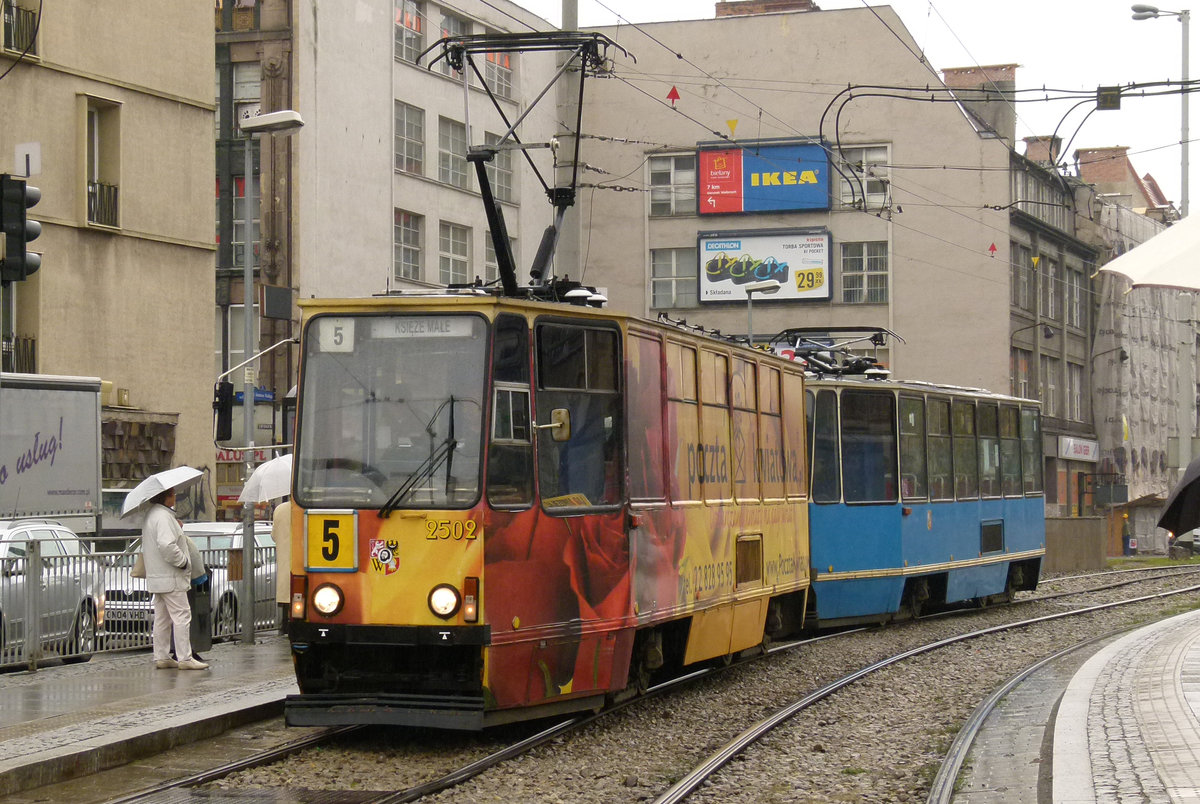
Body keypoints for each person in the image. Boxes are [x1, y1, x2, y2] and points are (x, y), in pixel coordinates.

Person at [143, 487, 209, 670]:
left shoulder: (153, 515)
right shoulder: (164, 517)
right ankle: (185, 658)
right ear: (166, 497)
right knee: (182, 616)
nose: (175, 498)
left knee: (162, 618)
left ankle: (162, 656)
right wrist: (183, 562)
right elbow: (166, 545)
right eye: (172, 494)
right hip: (171, 576)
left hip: (158, 577)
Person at [273, 497, 293, 634]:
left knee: (286, 591)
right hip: (302, 556)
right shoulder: (307, 508)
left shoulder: (279, 509)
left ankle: (284, 625)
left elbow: (274, 535)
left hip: (285, 556)